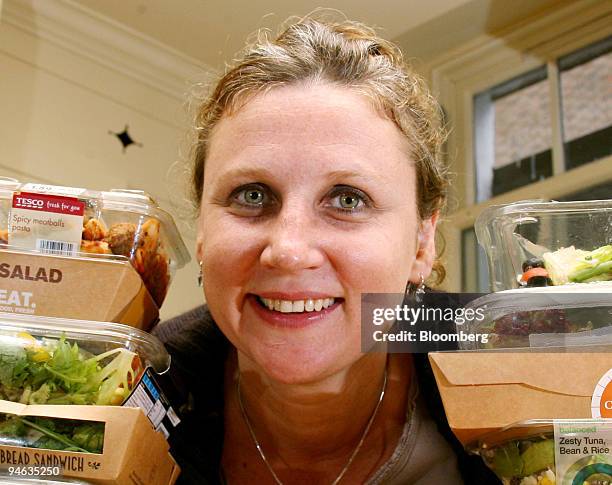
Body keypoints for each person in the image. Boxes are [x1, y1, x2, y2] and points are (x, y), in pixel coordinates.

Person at [154, 16, 499, 485]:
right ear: (202, 232)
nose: (289, 250)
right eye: (252, 195)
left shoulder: (518, 367)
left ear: (422, 242)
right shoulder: (130, 388)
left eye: (348, 200)